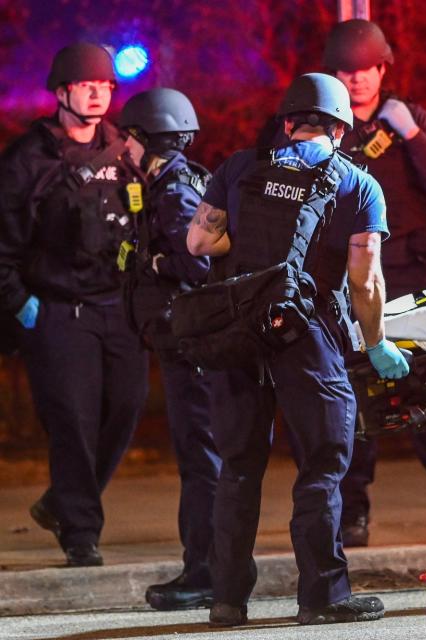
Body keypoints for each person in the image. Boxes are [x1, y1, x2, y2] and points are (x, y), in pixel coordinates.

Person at [185, 72, 408, 627]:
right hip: (305, 336)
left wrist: (253, 259)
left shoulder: (238, 167)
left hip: (236, 334)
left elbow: (199, 241)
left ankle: (227, 600)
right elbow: (365, 282)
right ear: (340, 128)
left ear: (286, 123)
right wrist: (377, 343)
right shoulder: (358, 185)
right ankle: (322, 597)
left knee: (237, 465)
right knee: (323, 465)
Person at [0, 42, 149, 567]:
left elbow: (154, 219)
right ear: (61, 91)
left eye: (105, 85)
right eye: (86, 84)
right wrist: (23, 307)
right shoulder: (27, 160)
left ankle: (62, 503)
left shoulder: (128, 151)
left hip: (119, 308)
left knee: (125, 410)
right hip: (59, 311)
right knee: (73, 422)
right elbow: (3, 247)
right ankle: (81, 532)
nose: (96, 93)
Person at [323, 18, 426, 547]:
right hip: (342, 282)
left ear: (383, 69)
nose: (357, 80)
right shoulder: (320, 123)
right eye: (347, 71)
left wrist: (411, 132)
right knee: (352, 403)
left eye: (366, 70)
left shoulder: (406, 118)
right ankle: (350, 516)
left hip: (406, 278)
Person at [118, 88, 221, 610]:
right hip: (184, 342)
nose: (124, 148)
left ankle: (205, 573)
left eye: (128, 138)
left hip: (192, 346)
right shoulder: (168, 182)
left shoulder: (175, 190)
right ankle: (209, 570)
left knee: (202, 459)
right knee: (202, 457)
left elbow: (196, 262)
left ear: (146, 139)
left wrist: (156, 265)